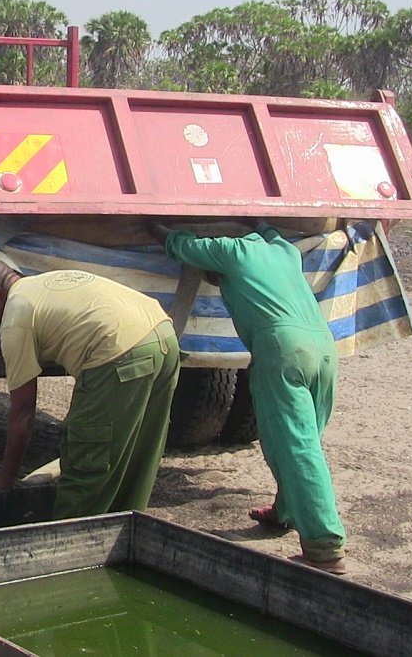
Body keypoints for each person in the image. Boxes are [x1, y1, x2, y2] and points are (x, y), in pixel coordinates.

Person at [153, 221, 347, 574]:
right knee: (307, 439)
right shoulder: (284, 251)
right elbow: (270, 229)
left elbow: (181, 246)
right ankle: (285, 512)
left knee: (295, 446)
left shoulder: (232, 251)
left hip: (283, 348)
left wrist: (154, 227)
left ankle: (325, 546)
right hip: (323, 347)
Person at [0, 260, 180, 519]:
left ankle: (67, 542)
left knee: (86, 458)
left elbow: (23, 412)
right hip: (164, 335)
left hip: (119, 350)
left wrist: (6, 476)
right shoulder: (43, 282)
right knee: (138, 455)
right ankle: (124, 532)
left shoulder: (14, 318)